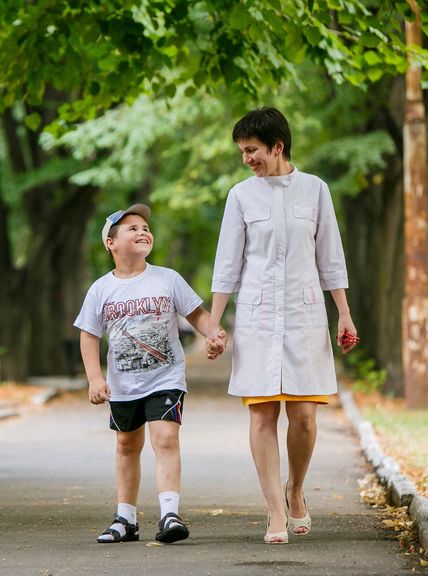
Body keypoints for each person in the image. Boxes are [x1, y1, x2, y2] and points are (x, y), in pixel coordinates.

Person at [207, 107, 358, 544]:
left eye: (251, 150)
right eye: (242, 151)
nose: (246, 159)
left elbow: (330, 257)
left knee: (305, 417)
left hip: (304, 315)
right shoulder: (240, 196)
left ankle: (295, 488)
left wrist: (344, 313)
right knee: (262, 414)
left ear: (277, 146)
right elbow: (227, 264)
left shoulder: (315, 190)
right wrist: (214, 325)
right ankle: (275, 511)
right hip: (257, 318)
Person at [74, 204, 226, 544]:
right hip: (123, 384)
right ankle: (125, 518)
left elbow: (196, 314)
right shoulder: (101, 289)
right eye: (132, 228)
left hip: (165, 378)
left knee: (165, 438)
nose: (143, 232)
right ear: (111, 243)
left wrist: (213, 333)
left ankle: (170, 514)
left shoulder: (167, 279)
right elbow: (89, 334)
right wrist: (95, 378)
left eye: (145, 227)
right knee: (126, 445)